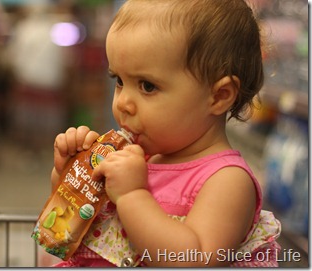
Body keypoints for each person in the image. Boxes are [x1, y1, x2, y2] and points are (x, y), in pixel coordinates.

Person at [49, 0, 281, 267]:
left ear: (219, 96)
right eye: (120, 81)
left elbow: (194, 259)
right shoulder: (135, 158)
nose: (123, 102)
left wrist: (131, 196)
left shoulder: (227, 182)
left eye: (147, 86)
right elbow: (69, 223)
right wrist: (70, 177)